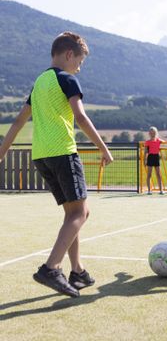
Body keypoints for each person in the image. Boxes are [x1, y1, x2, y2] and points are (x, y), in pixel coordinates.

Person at [0, 32, 113, 297]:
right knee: (80, 214)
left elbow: (18, 121)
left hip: (41, 156)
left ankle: (78, 271)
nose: (79, 67)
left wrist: (2, 151)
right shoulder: (67, 79)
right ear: (69, 54)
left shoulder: (39, 83)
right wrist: (103, 148)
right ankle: (51, 268)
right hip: (63, 152)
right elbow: (81, 118)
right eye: (80, 61)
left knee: (73, 213)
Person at [144, 126, 165, 195]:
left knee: (158, 174)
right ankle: (149, 190)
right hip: (150, 157)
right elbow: (145, 152)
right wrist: (145, 160)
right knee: (149, 174)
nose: (152, 134)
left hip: (156, 157)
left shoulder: (158, 140)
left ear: (156, 133)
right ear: (149, 134)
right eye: (151, 133)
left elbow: (164, 142)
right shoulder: (147, 142)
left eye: (154, 133)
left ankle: (161, 190)